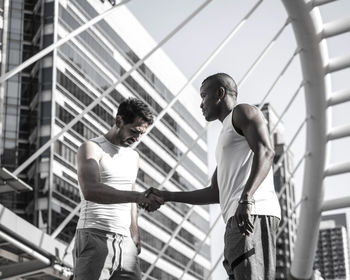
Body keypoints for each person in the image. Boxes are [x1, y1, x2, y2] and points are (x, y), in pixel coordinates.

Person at [144, 73, 281, 279]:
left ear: (220, 93)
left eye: (203, 96)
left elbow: (267, 152)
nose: (201, 104)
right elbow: (214, 192)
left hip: (252, 211)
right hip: (238, 216)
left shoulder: (243, 111)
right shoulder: (225, 138)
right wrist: (167, 196)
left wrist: (247, 198)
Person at [73, 98, 163, 280]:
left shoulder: (134, 157)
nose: (137, 138)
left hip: (126, 244)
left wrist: (135, 234)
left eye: (141, 134)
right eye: (134, 131)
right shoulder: (91, 148)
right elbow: (91, 190)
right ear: (119, 121)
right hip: (94, 234)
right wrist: (138, 197)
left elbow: (131, 198)